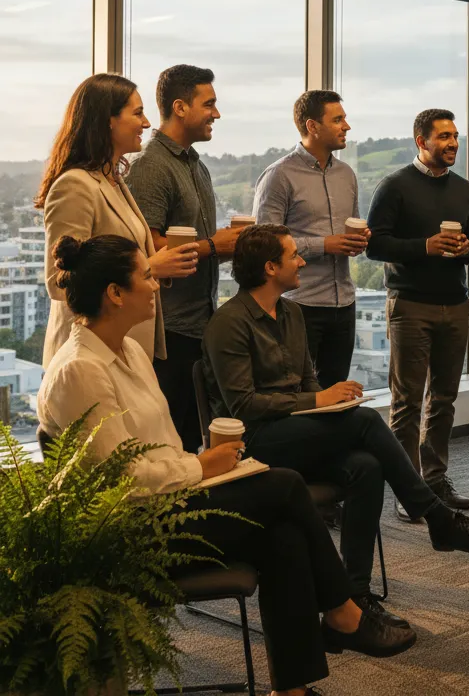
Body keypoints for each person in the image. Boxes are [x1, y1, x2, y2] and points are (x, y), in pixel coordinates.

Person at [36, 234, 416, 696]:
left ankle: (293, 685)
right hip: (133, 530)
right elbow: (123, 483)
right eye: (146, 277)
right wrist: (203, 469)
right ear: (115, 294)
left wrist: (203, 467)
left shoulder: (130, 352)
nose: (155, 287)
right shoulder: (79, 370)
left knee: (285, 535)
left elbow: (161, 449)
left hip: (172, 500)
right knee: (286, 487)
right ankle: (342, 611)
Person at [202, 224, 469, 629]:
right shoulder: (229, 322)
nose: (302, 261)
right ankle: (436, 518)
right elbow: (244, 406)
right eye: (294, 255)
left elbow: (307, 381)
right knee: (365, 421)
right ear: (270, 267)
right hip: (256, 442)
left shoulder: (292, 312)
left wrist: (331, 397)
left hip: (298, 431)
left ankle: (356, 596)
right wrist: (317, 401)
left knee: (366, 467)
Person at [365, 109, 469, 521]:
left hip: (456, 303)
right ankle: (409, 490)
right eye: (444, 137)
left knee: (444, 400)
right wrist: (424, 247)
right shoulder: (394, 185)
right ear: (422, 141)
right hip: (410, 306)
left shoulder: (465, 189)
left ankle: (434, 481)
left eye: (455, 136)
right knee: (407, 403)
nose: (453, 143)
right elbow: (375, 245)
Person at [37, 74, 200, 368]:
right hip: (87, 359)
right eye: (137, 113)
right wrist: (151, 268)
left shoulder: (113, 181)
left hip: (122, 351)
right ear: (107, 121)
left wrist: (156, 263)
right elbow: (58, 283)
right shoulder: (74, 186)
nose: (147, 123)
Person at [126, 65, 244, 453]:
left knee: (195, 435)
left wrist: (231, 246)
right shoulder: (150, 166)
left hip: (199, 324)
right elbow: (149, 249)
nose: (217, 113)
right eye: (208, 104)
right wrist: (215, 246)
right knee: (171, 441)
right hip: (168, 331)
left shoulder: (196, 164)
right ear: (180, 107)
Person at [252, 90, 366, 387]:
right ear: (312, 126)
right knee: (296, 394)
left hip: (344, 304)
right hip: (298, 305)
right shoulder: (279, 175)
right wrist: (324, 245)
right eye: (338, 119)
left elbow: (349, 229)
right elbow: (263, 241)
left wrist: (359, 240)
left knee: (335, 395)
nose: (347, 126)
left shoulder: (347, 175)